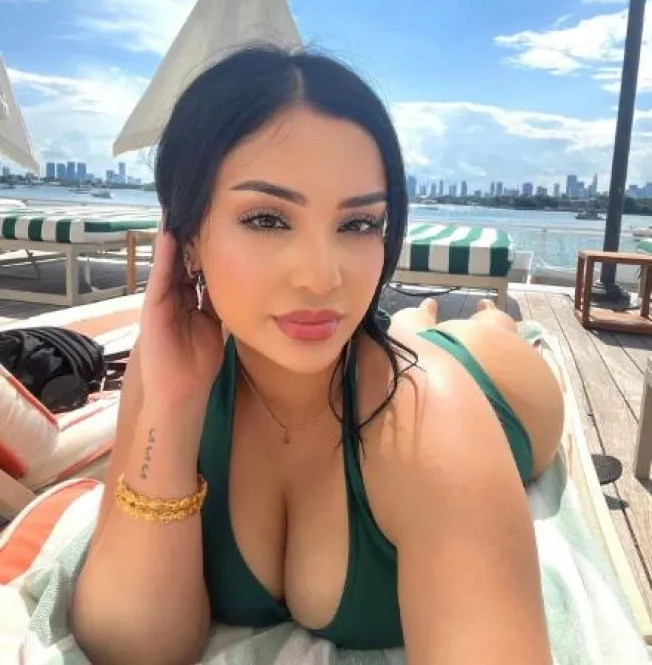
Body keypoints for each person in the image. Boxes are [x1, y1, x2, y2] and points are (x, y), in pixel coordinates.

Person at [72, 46, 563, 664]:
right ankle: (415, 322)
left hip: (492, 381)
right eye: (267, 219)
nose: (321, 277)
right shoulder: (168, 364)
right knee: (405, 330)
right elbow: (132, 646)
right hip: (377, 354)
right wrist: (171, 411)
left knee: (471, 334)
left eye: (358, 224)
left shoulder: (434, 422)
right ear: (187, 237)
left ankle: (459, 323)